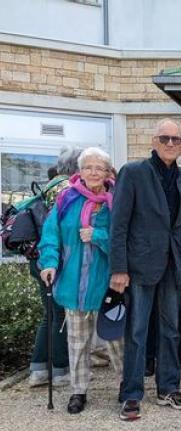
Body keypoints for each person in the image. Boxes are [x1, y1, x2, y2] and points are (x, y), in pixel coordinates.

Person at [110, 118, 181, 421]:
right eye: (165, 138)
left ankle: (168, 387)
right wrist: (118, 268)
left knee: (172, 330)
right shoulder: (133, 173)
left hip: (175, 268)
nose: (171, 143)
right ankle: (131, 393)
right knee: (137, 331)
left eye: (176, 139)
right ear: (154, 141)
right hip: (139, 267)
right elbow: (118, 224)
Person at [38, 147, 122, 414]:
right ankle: (78, 391)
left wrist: (97, 235)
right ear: (80, 171)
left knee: (116, 342)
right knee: (78, 342)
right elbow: (51, 236)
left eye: (100, 168)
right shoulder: (66, 199)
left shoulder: (117, 200)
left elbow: (124, 240)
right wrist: (49, 263)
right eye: (88, 167)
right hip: (73, 284)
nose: (94, 172)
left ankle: (126, 386)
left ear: (108, 172)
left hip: (108, 284)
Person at [27, 146, 81, 388]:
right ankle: (60, 371)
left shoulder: (49, 186)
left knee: (49, 314)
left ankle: (38, 369)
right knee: (60, 315)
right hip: (54, 260)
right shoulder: (67, 189)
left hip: (38, 257)